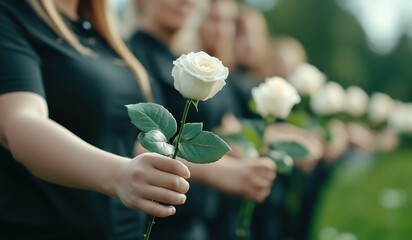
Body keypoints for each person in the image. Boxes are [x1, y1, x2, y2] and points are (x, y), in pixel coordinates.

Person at [0, 0, 193, 239]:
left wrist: (229, 171)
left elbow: (130, 140)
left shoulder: (107, 36)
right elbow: (20, 123)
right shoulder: (12, 15)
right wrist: (119, 174)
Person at [129, 0, 276, 239]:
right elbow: (143, 142)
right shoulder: (134, 56)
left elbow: (225, 128)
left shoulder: (185, 61)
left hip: (201, 218)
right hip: (158, 221)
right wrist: (225, 171)